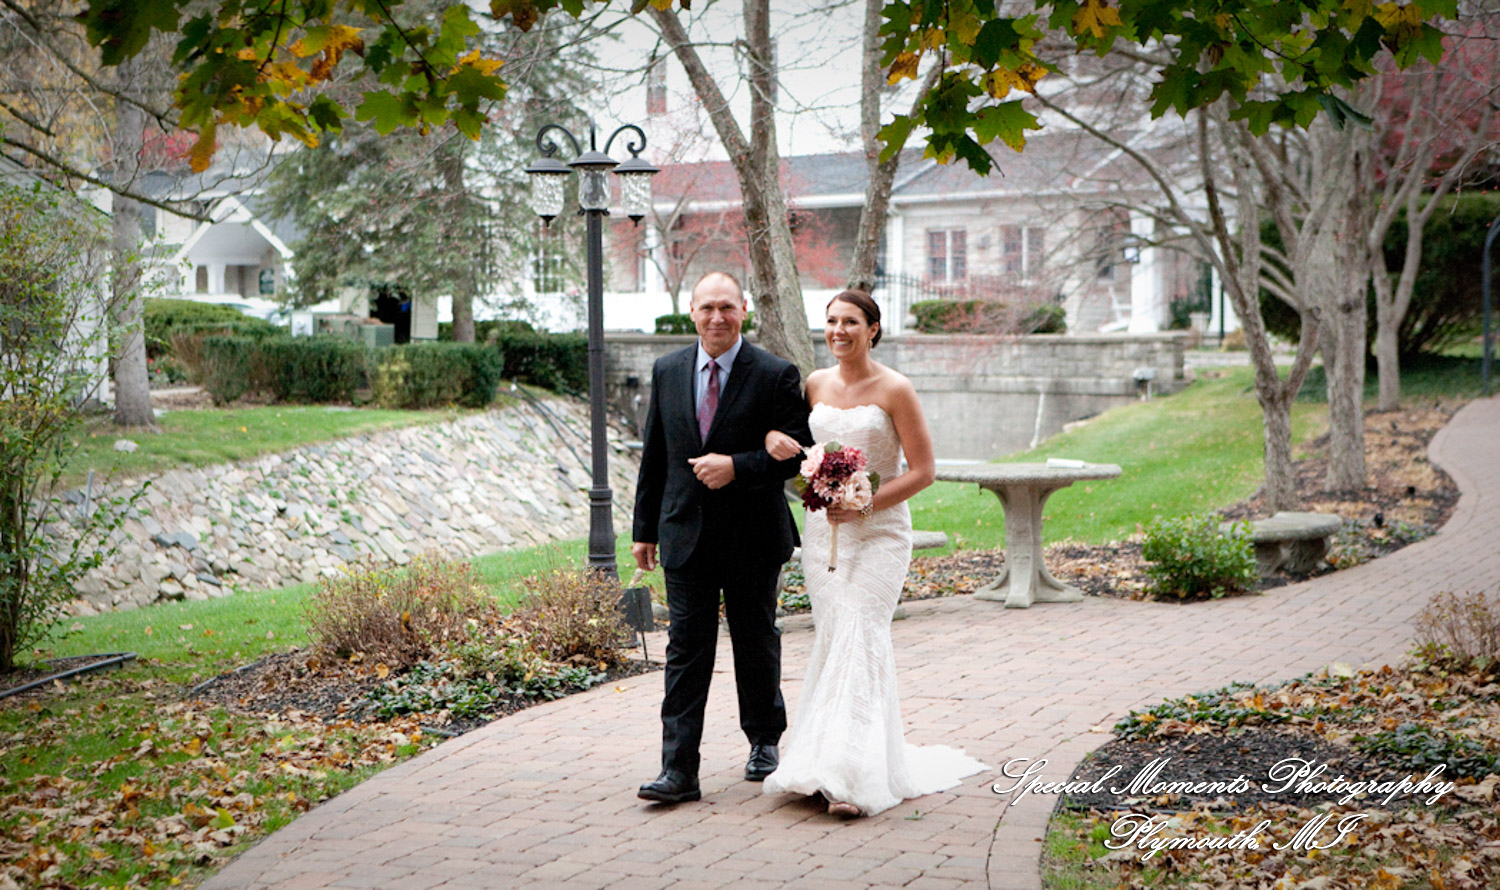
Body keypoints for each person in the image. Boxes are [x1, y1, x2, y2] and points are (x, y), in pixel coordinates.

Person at [761, 289, 987, 817]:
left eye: (851, 322)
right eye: (832, 321)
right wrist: (780, 443)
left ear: (873, 329)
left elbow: (923, 471)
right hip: (824, 536)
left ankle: (853, 778)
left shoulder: (895, 388)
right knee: (837, 638)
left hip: (880, 532)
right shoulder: (814, 383)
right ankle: (821, 759)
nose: (839, 331)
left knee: (862, 631)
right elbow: (793, 444)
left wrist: (863, 504)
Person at [632, 271, 814, 804]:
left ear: (744, 310)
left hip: (753, 536)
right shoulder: (668, 370)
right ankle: (679, 770)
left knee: (756, 644)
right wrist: (644, 529)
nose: (717, 317)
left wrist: (736, 466)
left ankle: (763, 742)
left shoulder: (776, 373)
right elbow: (656, 456)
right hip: (684, 533)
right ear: (691, 311)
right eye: (707, 307)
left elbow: (799, 452)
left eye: (727, 307)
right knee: (686, 651)